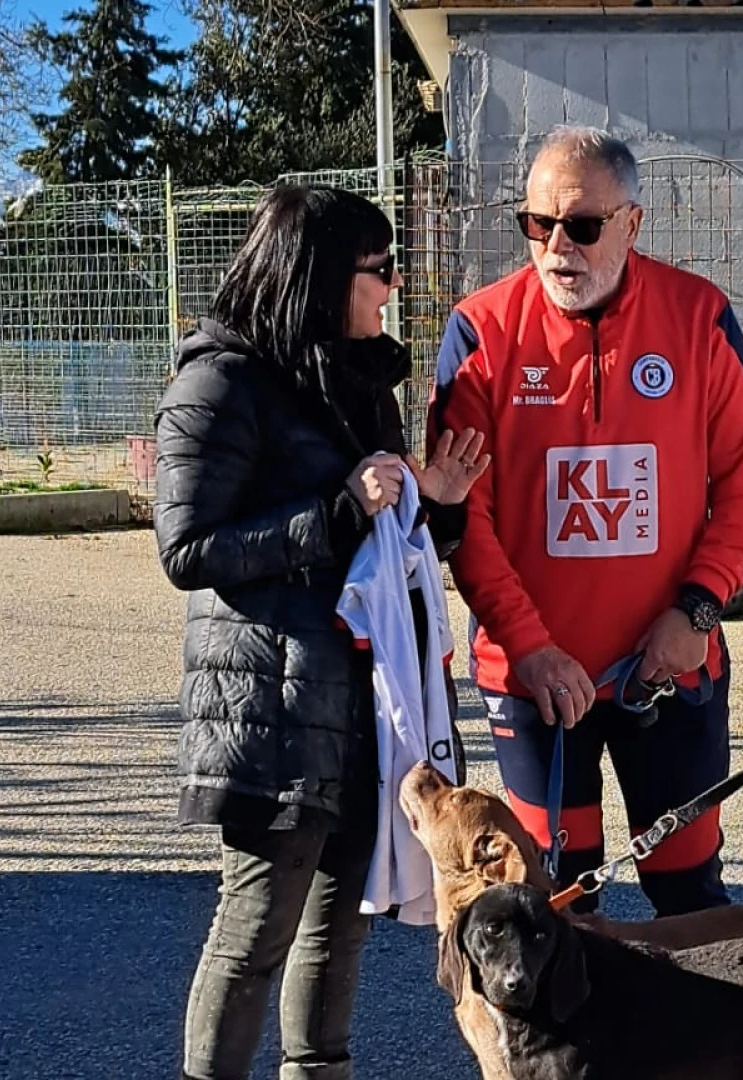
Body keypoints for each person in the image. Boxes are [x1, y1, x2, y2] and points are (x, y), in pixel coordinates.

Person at [154, 184, 489, 1080]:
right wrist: (337, 511)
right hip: (266, 701)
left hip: (362, 702)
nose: (391, 287)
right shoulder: (218, 380)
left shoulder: (358, 376)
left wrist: (439, 511)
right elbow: (188, 548)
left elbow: (387, 542)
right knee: (256, 928)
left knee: (339, 927)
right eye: (378, 270)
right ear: (321, 275)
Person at [431, 124, 743, 918]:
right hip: (535, 687)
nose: (558, 246)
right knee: (555, 905)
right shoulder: (480, 332)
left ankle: (692, 1047)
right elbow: (465, 519)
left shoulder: (698, 318)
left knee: (689, 898)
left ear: (631, 224)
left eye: (583, 226)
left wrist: (695, 612)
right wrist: (532, 648)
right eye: (538, 225)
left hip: (668, 672)